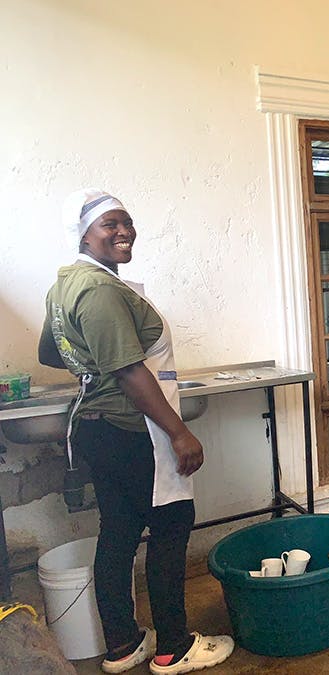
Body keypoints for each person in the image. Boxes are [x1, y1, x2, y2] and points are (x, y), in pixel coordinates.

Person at [38, 189, 234, 674]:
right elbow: (129, 371)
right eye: (110, 224)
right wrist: (179, 433)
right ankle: (174, 648)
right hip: (134, 428)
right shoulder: (101, 289)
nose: (123, 231)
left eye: (126, 222)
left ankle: (123, 645)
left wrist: (92, 368)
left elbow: (50, 350)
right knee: (170, 527)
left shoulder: (67, 284)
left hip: (98, 427)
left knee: (119, 531)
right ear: (84, 234)